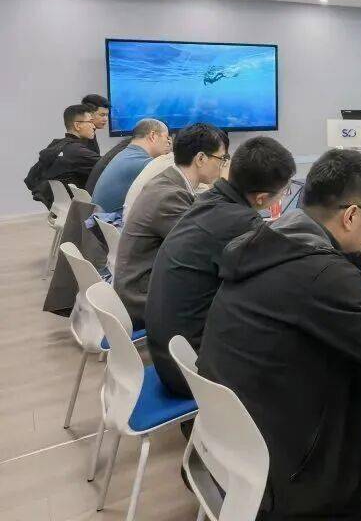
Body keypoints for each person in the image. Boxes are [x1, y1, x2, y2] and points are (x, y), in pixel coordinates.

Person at [198, 149, 361, 517]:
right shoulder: (321, 272)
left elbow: (306, 300)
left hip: (240, 444)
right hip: (292, 468)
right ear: (351, 216)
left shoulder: (271, 241)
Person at [145, 136, 295, 396]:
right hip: (193, 373)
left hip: (169, 354)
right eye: (284, 191)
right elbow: (286, 283)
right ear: (261, 198)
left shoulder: (209, 201)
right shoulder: (242, 224)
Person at [113, 123, 229, 330]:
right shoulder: (170, 196)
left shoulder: (169, 181)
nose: (223, 165)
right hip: (142, 298)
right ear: (201, 159)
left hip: (142, 285)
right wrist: (228, 188)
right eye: (222, 159)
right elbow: (204, 247)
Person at [90, 118, 172, 213]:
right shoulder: (143, 163)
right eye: (166, 138)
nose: (168, 143)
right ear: (153, 136)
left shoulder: (126, 154)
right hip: (113, 219)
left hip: (102, 218)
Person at [26, 104, 100, 207]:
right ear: (77, 126)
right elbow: (108, 166)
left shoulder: (56, 146)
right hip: (84, 206)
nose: (94, 126)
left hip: (65, 206)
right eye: (90, 122)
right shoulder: (77, 152)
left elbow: (30, 179)